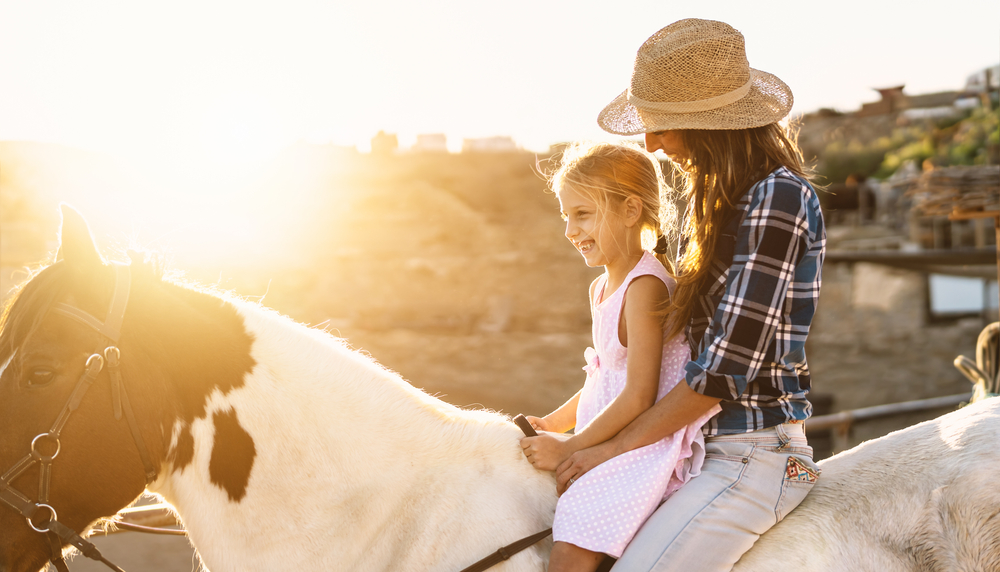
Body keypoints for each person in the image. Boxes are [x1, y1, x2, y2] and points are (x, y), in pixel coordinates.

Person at [553, 19, 827, 571]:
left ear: (711, 125)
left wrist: (604, 449)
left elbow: (724, 372)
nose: (649, 145)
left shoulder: (778, 198)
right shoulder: (708, 204)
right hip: (688, 448)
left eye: (662, 126)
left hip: (751, 452)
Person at [519, 140, 719, 572]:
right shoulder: (602, 287)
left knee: (571, 547)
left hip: (642, 446)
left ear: (630, 211)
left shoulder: (644, 287)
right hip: (608, 436)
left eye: (583, 214)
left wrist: (571, 445)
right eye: (566, 217)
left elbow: (638, 397)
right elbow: (602, 374)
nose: (570, 230)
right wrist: (551, 424)